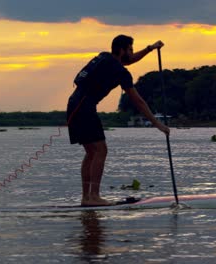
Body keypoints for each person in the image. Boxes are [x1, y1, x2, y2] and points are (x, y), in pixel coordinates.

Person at [66, 35, 171, 206]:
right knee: (100, 151)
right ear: (122, 50)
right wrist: (158, 124)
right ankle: (94, 198)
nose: (132, 52)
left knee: (92, 152)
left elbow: (128, 60)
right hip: (84, 109)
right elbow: (138, 101)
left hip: (74, 105)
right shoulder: (120, 71)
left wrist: (150, 48)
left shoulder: (106, 57)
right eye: (130, 49)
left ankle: (87, 198)